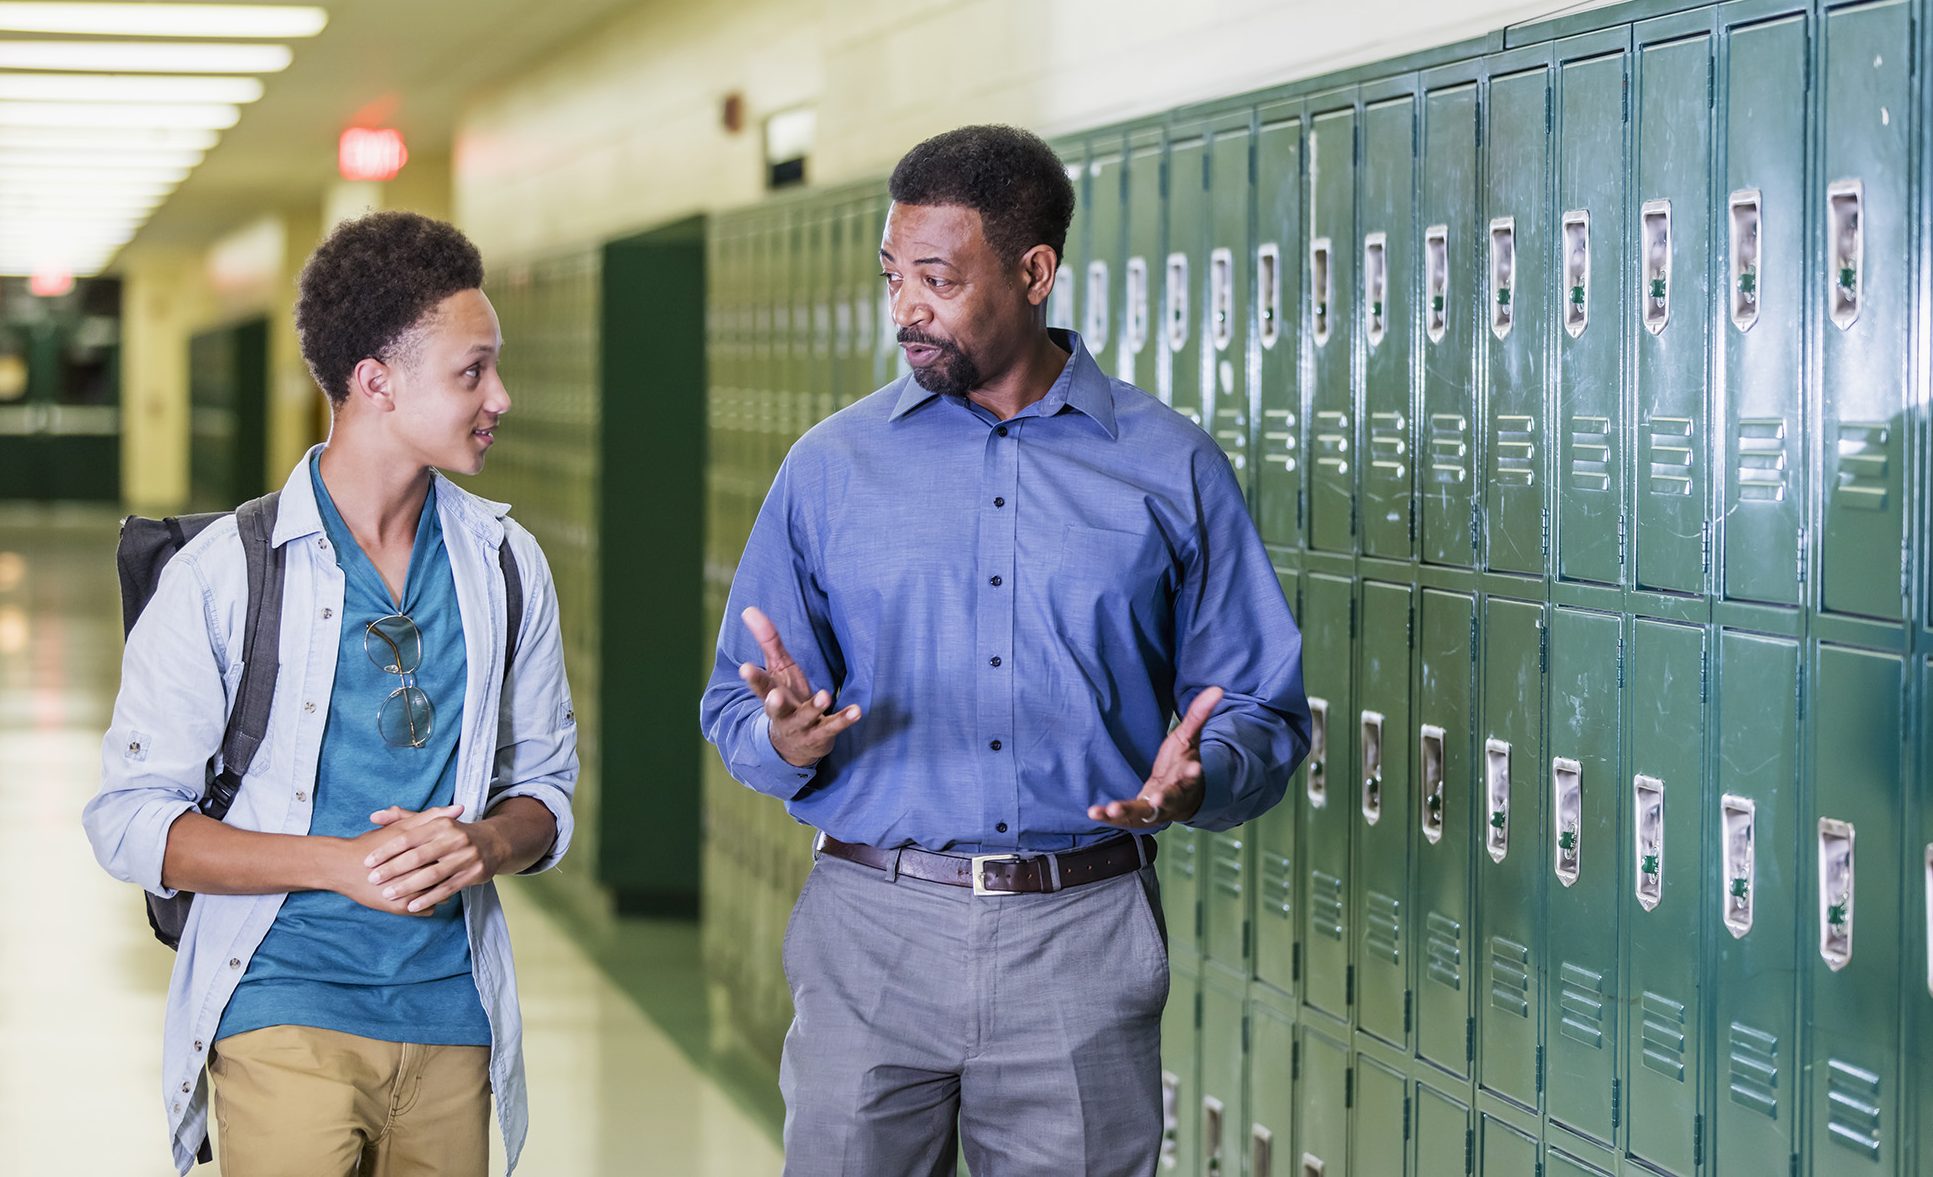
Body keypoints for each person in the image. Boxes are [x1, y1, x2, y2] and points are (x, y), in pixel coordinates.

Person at [700, 124, 1309, 1176]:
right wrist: (782, 737)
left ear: (1035, 273)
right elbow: (731, 707)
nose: (905, 309)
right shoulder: (830, 468)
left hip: (1079, 935)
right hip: (870, 931)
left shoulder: (1168, 467)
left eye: (936, 278)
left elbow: (1260, 704)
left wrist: (1203, 773)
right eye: (893, 276)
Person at [85, 210, 578, 1177]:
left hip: (450, 1013)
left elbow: (548, 790)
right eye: (472, 371)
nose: (501, 396)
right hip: (281, 1003)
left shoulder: (507, 565)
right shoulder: (226, 574)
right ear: (375, 382)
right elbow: (131, 822)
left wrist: (486, 841)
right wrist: (336, 864)